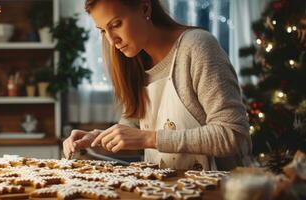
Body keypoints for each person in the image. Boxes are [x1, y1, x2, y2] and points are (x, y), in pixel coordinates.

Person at [63, 0, 252, 170]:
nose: (112, 41)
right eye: (103, 30)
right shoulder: (134, 61)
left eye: (116, 25)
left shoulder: (197, 47)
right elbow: (133, 127)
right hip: (165, 189)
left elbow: (232, 134)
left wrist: (150, 138)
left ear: (145, 8)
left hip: (220, 190)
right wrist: (95, 138)